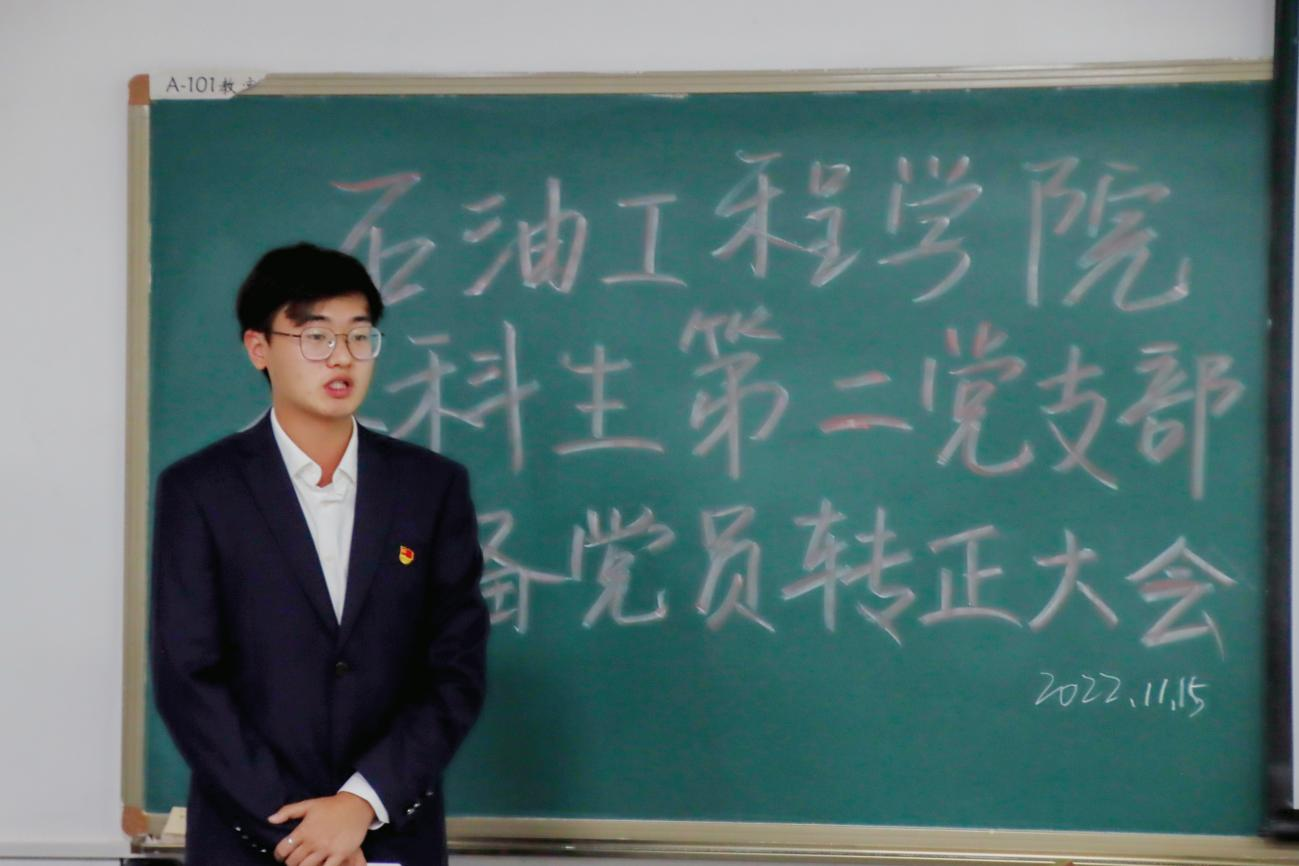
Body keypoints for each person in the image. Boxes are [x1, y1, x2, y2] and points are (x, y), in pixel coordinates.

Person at [150, 242, 488, 866]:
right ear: (259, 348)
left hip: (388, 835)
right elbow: (189, 680)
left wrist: (360, 803)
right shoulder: (200, 491)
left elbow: (455, 671)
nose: (342, 357)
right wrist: (302, 837)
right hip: (251, 839)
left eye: (359, 336)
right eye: (316, 336)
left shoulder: (430, 488)